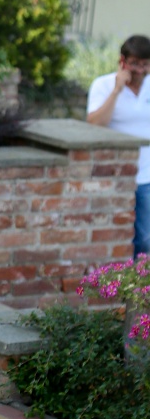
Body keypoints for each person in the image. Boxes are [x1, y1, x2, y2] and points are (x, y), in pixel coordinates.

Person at [86, 34, 150, 257]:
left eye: (145, 64)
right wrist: (117, 91)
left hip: (146, 176)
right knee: (111, 236)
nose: (139, 70)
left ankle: (138, 277)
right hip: (114, 174)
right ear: (122, 61)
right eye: (134, 63)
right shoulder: (103, 85)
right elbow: (95, 124)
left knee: (145, 239)